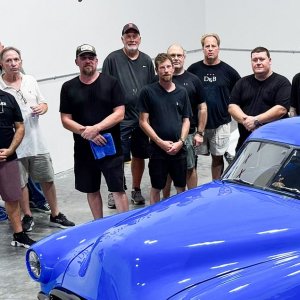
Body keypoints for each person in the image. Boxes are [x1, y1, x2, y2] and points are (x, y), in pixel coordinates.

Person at [0, 46, 75, 232]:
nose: (13, 63)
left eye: (16, 59)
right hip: (14, 145)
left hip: (36, 140)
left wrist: (43, 107)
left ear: (21, 62)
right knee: (20, 184)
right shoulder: (0, 86)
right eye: (8, 60)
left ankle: (56, 214)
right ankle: (27, 216)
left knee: (47, 178)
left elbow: (44, 102)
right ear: (1, 64)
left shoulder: (30, 80)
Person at [60, 44, 129, 219]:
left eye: (91, 57)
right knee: (91, 189)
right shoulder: (68, 87)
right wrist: (86, 132)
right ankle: (98, 225)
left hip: (110, 147)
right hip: (84, 150)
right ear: (77, 61)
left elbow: (120, 113)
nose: (87, 61)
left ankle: (125, 226)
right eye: (83, 58)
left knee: (118, 189)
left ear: (97, 60)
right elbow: (65, 119)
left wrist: (96, 129)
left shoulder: (111, 83)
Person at [102, 23, 155, 208]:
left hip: (140, 119)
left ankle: (136, 189)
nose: (131, 39)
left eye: (135, 35)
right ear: (122, 38)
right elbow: (104, 88)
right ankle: (115, 191)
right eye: (128, 36)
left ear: (139, 39)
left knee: (139, 156)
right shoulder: (112, 59)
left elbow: (151, 89)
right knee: (117, 158)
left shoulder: (147, 61)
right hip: (120, 120)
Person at [139, 53, 192, 204]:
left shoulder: (182, 92)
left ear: (173, 69)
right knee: (156, 186)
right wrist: (159, 142)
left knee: (181, 187)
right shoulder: (147, 92)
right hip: (157, 151)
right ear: (157, 70)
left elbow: (186, 120)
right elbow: (143, 121)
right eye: (162, 67)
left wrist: (181, 142)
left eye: (169, 66)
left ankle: (180, 217)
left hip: (178, 149)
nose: (166, 70)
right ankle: (153, 218)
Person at [187, 33, 240, 179]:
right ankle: (192, 192)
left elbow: (239, 93)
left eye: (213, 46)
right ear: (203, 49)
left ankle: (216, 188)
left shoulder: (229, 71)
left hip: (220, 124)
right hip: (197, 125)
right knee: (192, 159)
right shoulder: (193, 70)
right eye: (207, 46)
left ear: (218, 48)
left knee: (217, 158)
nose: (210, 49)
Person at [162, 44, 207, 198]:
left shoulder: (193, 80)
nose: (175, 59)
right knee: (166, 171)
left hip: (189, 134)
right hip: (165, 135)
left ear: (184, 57)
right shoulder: (161, 80)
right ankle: (164, 202)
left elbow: (203, 108)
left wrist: (200, 133)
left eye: (178, 55)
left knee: (190, 167)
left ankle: (192, 199)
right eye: (172, 55)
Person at [228, 46, 290, 151]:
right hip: (246, 140)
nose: (258, 62)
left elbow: (281, 109)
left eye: (262, 59)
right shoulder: (242, 82)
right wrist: (247, 121)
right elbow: (232, 106)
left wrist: (256, 120)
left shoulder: (282, 82)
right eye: (254, 60)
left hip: (274, 142)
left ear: (269, 61)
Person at [0, 87, 35, 248]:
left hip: (8, 158)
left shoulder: (8, 98)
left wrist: (11, 150)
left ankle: (19, 235)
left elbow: (20, 126)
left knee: (12, 198)